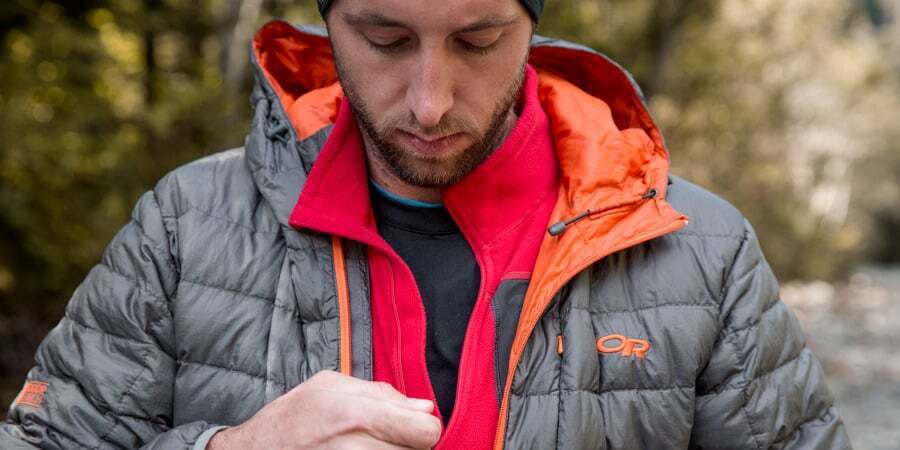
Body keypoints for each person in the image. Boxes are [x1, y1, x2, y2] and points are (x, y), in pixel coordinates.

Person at [2, 0, 852, 449]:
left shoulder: (700, 250)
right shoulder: (185, 226)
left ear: (532, 30)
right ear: (327, 26)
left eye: (479, 41)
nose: (430, 100)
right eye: (384, 38)